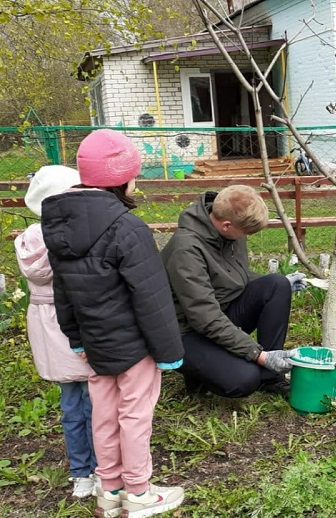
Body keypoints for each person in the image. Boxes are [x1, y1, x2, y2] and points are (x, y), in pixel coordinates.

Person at [41, 129, 185, 518]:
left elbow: (63, 292)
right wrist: (169, 352)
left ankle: (110, 490)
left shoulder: (58, 226)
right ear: (124, 179)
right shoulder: (128, 229)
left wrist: (75, 338)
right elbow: (151, 298)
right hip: (133, 347)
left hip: (94, 343)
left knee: (104, 415)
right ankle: (138, 493)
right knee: (134, 417)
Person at [160, 185, 297, 399]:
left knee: (277, 285)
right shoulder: (186, 250)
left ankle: (270, 377)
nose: (246, 237)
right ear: (226, 225)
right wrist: (257, 354)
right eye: (246, 233)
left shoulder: (229, 231)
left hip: (218, 313)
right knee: (244, 380)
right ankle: (198, 374)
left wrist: (279, 283)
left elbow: (232, 275)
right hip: (185, 332)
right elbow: (204, 317)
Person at [14, 166, 97, 499]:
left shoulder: (30, 238)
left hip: (46, 322)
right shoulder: (69, 235)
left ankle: (82, 472)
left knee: (72, 404)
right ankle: (98, 468)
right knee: (94, 403)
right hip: (75, 319)